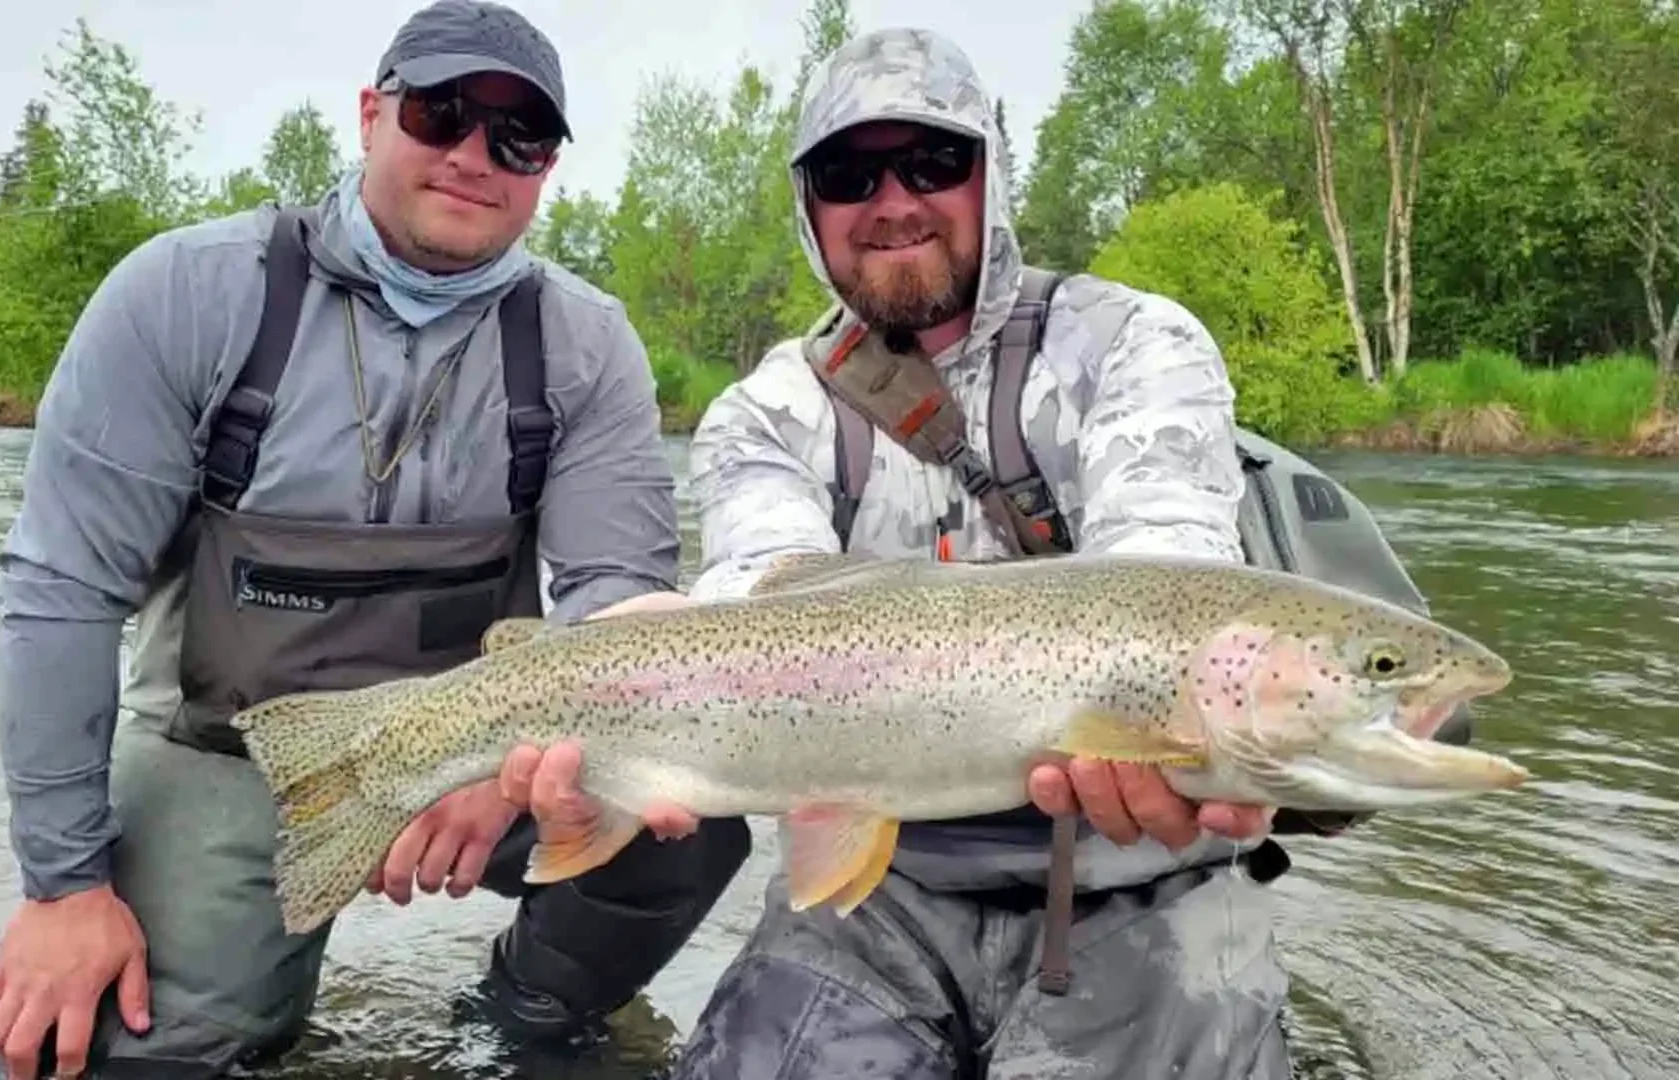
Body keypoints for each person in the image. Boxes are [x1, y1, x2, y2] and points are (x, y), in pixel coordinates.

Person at [499, 25, 1478, 1080]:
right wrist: (617, 694)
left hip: (1147, 883)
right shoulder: (763, 415)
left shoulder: (1134, 343)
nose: (893, 201)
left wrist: (1187, 732)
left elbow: (1166, 572)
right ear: (808, 207)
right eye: (848, 174)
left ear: (988, 174)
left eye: (932, 161)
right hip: (876, 894)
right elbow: (759, 601)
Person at [0, 2, 751, 1077]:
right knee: (109, 1049)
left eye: (518, 136)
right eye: (442, 114)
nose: (474, 155)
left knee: (687, 815)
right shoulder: (187, 293)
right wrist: (63, 890)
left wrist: (518, 765)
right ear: (371, 115)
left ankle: (519, 1023)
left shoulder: (585, 343)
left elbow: (615, 604)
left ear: (547, 168)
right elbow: (60, 593)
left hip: (489, 747)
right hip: (228, 751)